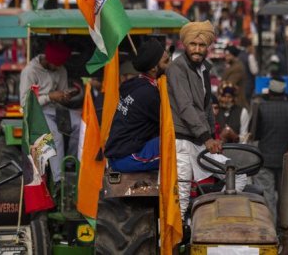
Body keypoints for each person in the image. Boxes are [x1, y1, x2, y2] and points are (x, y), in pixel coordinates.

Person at [167, 21, 245, 219]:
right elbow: (185, 106)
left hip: (200, 141)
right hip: (182, 142)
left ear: (207, 48)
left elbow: (207, 106)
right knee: (181, 200)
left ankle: (223, 219)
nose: (197, 49)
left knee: (237, 174)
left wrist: (212, 135)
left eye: (202, 45)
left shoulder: (204, 69)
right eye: (193, 44)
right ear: (185, 45)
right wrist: (206, 136)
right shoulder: (177, 69)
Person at [19, 41, 81, 183]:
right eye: (56, 65)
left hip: (57, 110)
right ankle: (58, 179)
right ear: (48, 59)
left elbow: (61, 95)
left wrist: (65, 96)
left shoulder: (61, 70)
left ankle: (70, 163)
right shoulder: (30, 71)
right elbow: (24, 105)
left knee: (80, 124)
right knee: (55, 135)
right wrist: (49, 97)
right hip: (38, 113)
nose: (58, 68)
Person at [105, 39, 170, 172]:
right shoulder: (148, 93)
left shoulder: (138, 83)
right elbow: (171, 124)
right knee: (181, 146)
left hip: (122, 153)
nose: (171, 65)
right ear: (153, 68)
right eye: (166, 62)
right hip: (127, 157)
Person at [252, 77, 288, 221]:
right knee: (286, 196)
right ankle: (285, 227)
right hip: (287, 161)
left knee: (267, 197)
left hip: (265, 159)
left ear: (269, 92)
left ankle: (270, 228)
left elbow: (255, 134)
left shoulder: (261, 107)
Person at [238, 37, 259, 103]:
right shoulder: (250, 56)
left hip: (239, 85)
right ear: (249, 46)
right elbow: (255, 71)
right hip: (248, 85)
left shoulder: (238, 55)